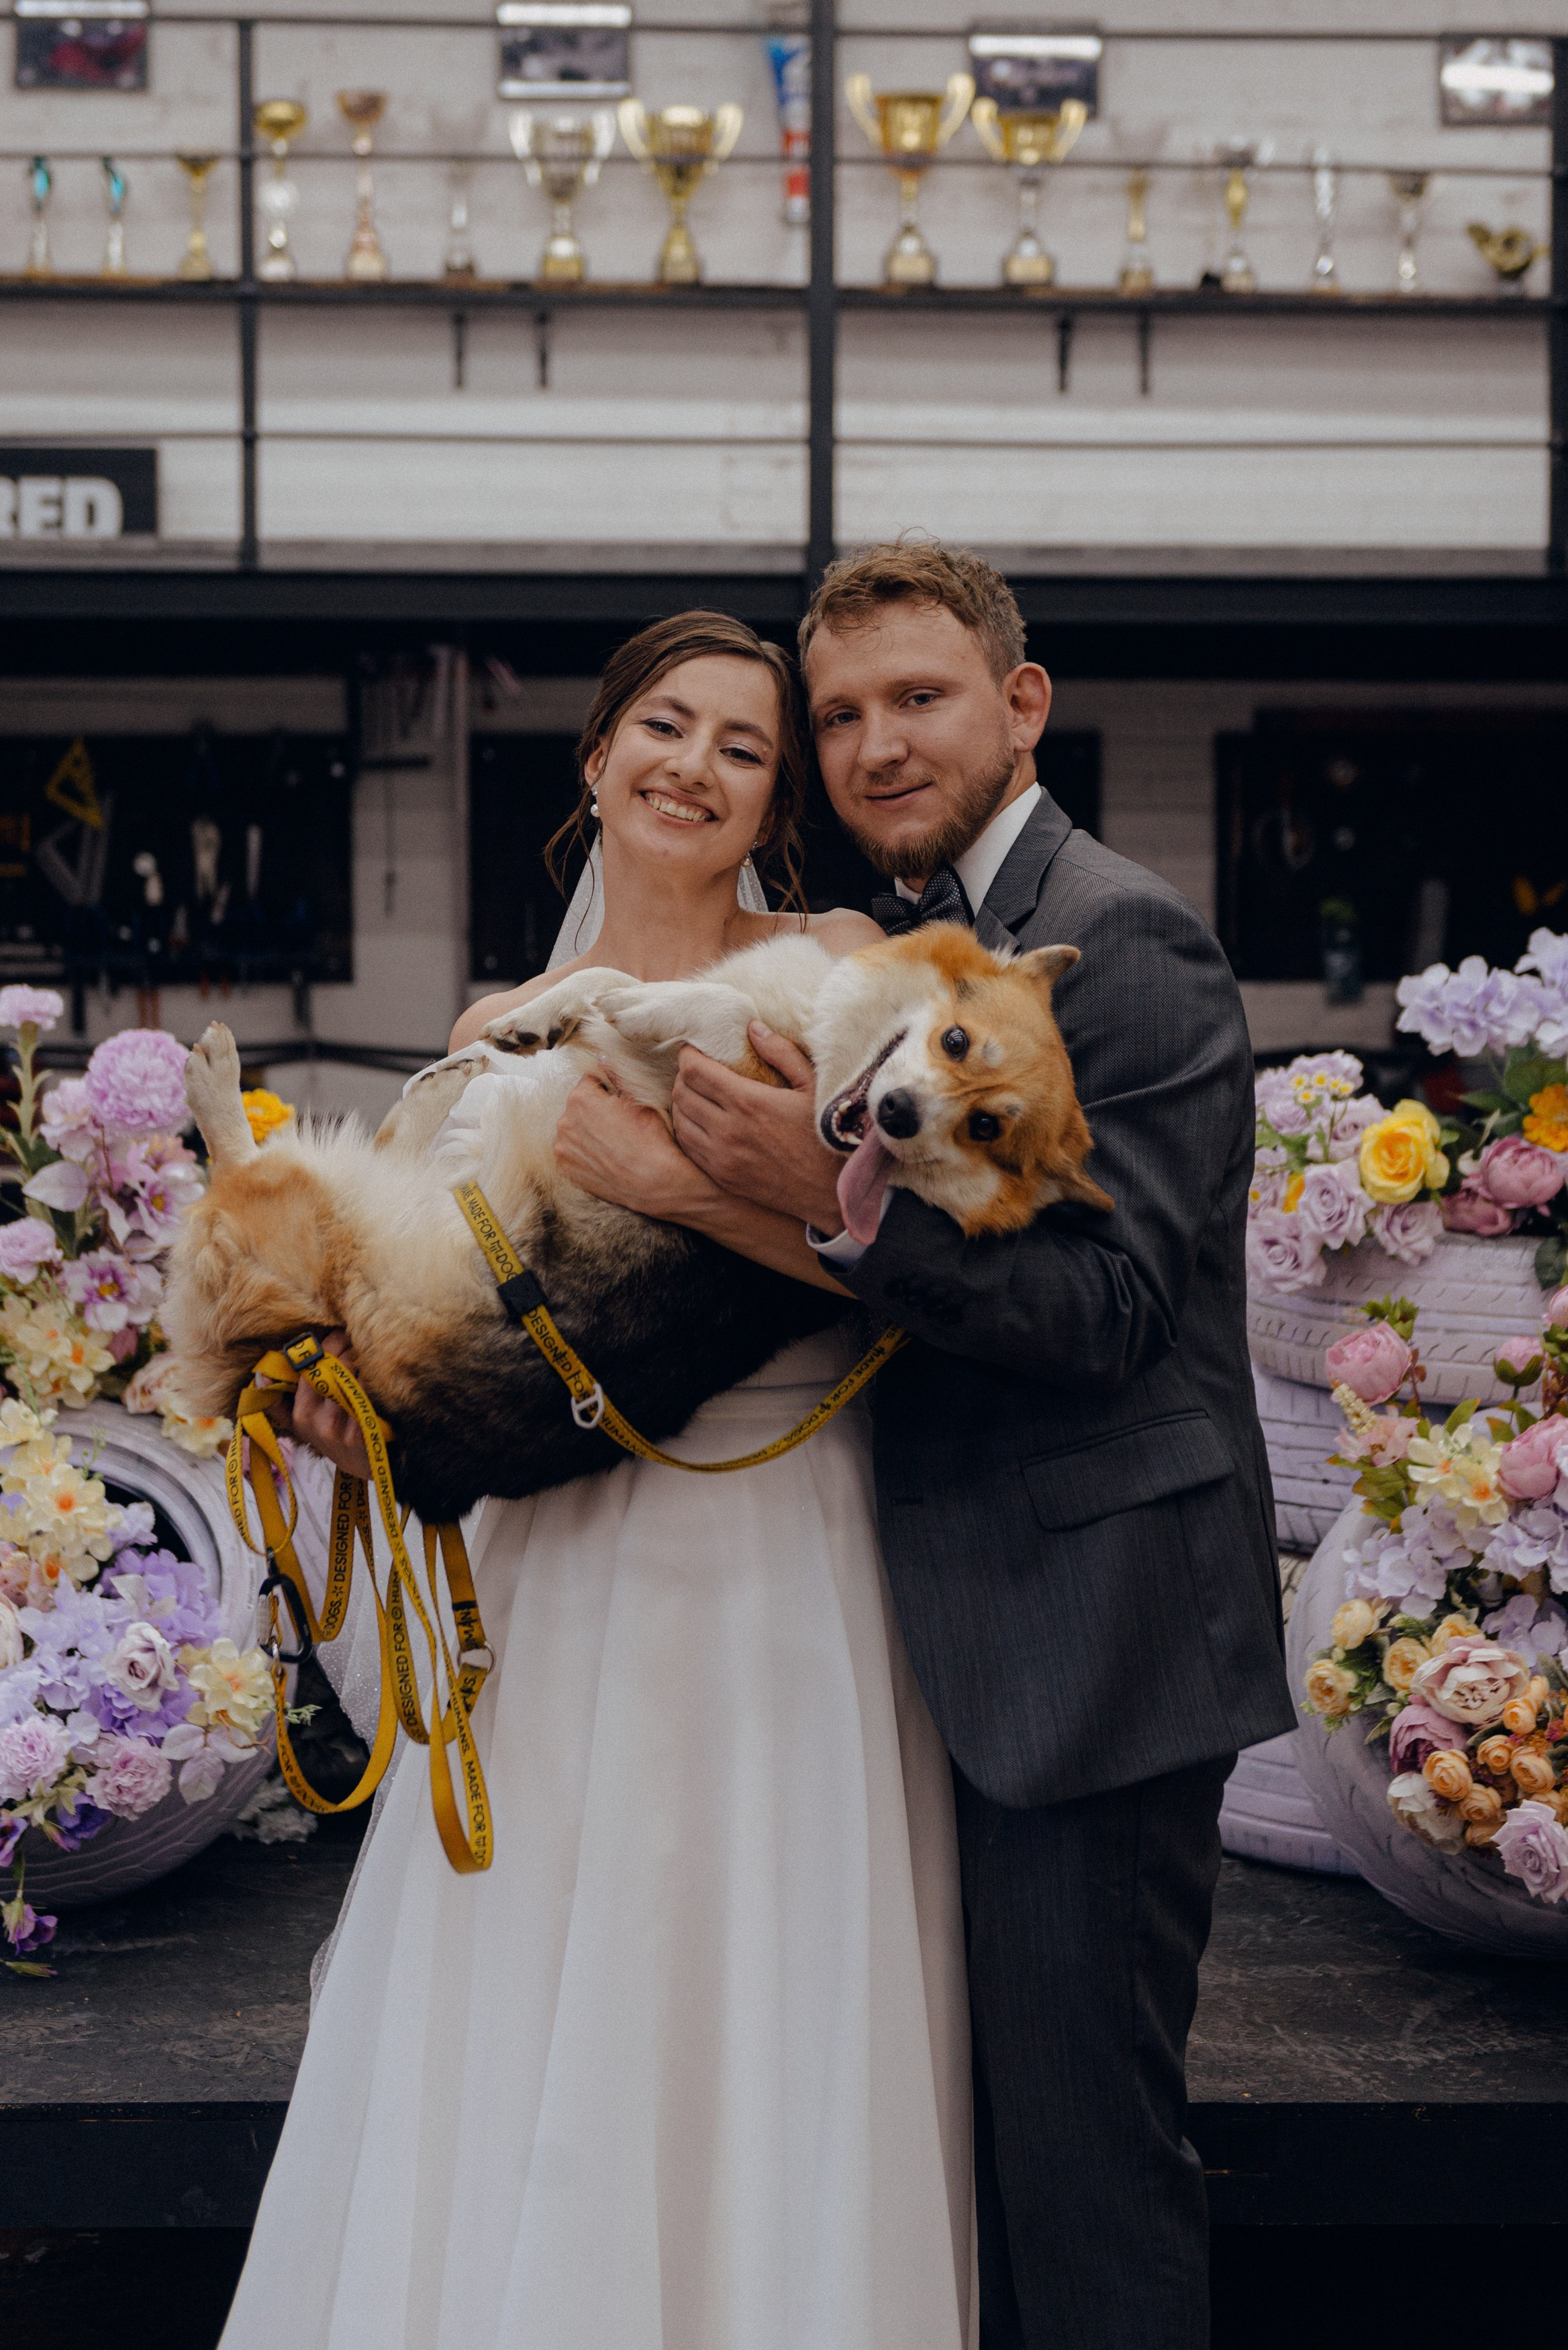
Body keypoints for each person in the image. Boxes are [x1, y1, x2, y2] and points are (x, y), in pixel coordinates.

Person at [217, 612, 975, 2350]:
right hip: (553, 1571)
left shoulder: (831, 966)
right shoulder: (497, 1031)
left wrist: (682, 1177)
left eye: (740, 747)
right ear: (595, 755)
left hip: (783, 1547)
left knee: (753, 1963)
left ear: (777, 801)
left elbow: (912, 1251)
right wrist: (353, 1406)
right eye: (666, 725)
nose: (692, 767)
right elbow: (447, 1324)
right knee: (540, 1974)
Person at [667, 545, 1296, 2350]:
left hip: (1088, 1655)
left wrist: (836, 1206)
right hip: (944, 1632)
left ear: (1022, 704)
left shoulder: (1133, 937)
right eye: (844, 713)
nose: (873, 745)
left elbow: (1106, 1313)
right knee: (971, 2169)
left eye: (918, 698)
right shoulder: (900, 944)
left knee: (1084, 2177)